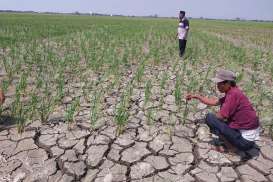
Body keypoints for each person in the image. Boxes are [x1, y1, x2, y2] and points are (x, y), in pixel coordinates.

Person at [186, 69, 260, 153]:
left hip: (244, 142)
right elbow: (214, 102)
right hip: (248, 139)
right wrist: (197, 96)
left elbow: (221, 116)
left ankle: (231, 148)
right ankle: (232, 142)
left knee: (210, 118)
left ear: (228, 83)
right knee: (218, 120)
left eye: (219, 83)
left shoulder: (233, 95)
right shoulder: (234, 91)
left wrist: (213, 120)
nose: (217, 86)